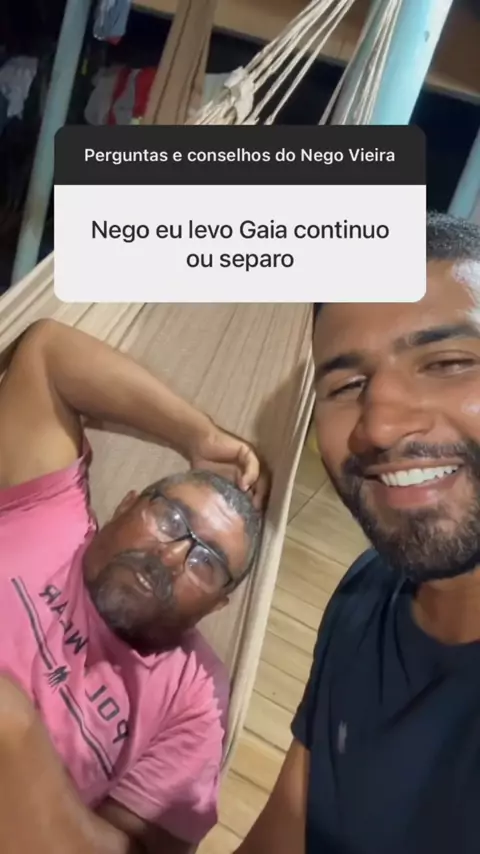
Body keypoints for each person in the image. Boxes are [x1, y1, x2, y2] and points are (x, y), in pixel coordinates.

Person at [235, 212, 480, 854]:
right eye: (348, 385)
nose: (378, 425)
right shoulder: (368, 593)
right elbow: (286, 830)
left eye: (448, 362)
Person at [0, 318, 266, 854]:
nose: (171, 557)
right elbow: (48, 354)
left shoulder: (194, 698)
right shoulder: (47, 511)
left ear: (219, 604)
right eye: (169, 519)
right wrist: (197, 436)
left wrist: (17, 746)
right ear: (126, 504)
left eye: (207, 562)